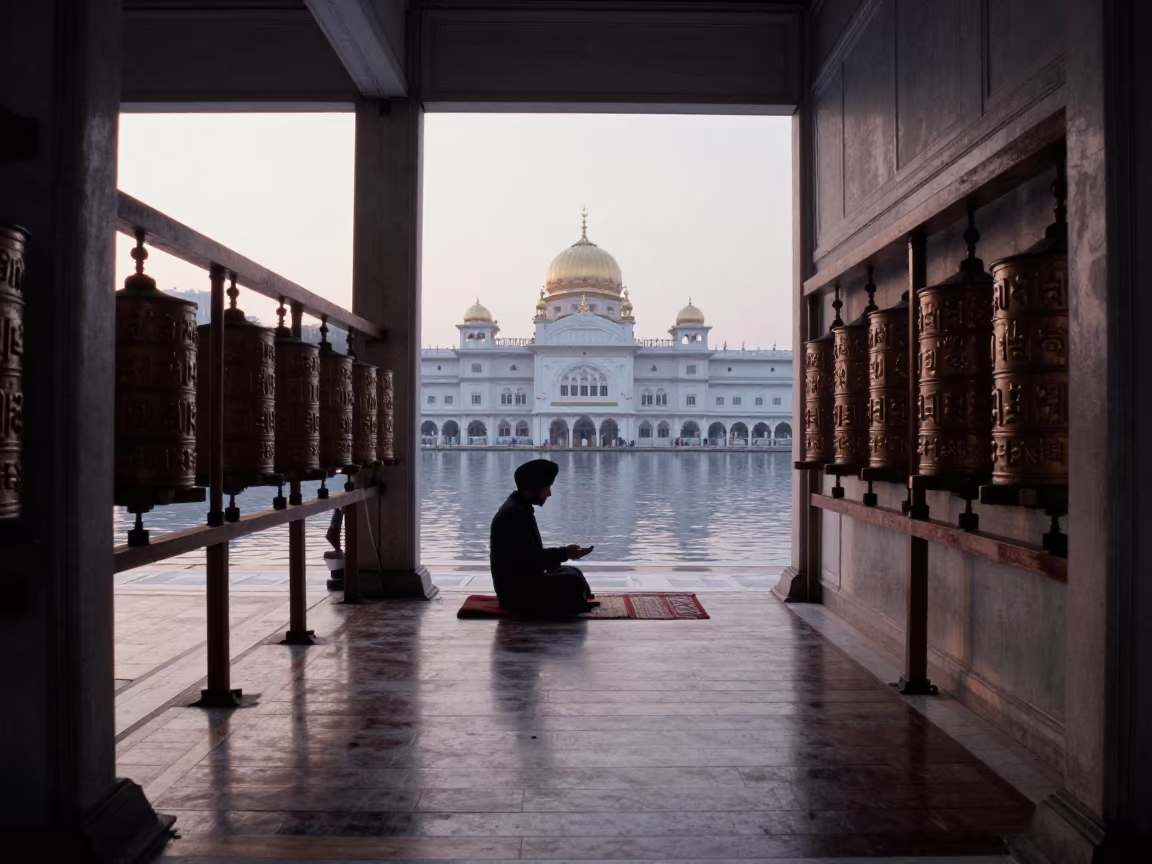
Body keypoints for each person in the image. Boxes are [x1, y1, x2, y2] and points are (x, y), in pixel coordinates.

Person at [490, 458, 596, 614]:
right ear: (533, 488)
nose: (550, 493)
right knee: (574, 583)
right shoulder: (513, 514)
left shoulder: (520, 508)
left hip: (522, 581)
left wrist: (564, 555)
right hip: (515, 593)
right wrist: (565, 553)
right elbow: (526, 559)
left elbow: (530, 556)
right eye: (547, 487)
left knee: (574, 573)